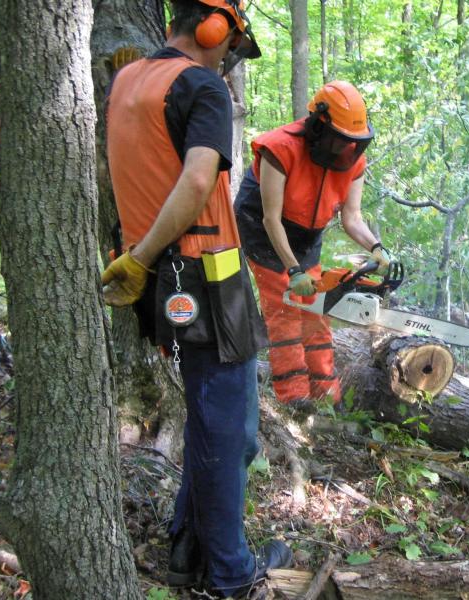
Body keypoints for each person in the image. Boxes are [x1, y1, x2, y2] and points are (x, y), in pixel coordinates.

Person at [100, 1, 291, 597]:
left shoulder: (128, 78)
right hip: (203, 272)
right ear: (214, 30)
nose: (230, 59)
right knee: (229, 427)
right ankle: (232, 575)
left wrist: (138, 258)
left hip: (156, 275)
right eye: (231, 45)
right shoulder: (200, 85)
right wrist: (143, 256)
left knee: (218, 422)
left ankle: (188, 548)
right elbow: (198, 179)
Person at [234, 81, 393, 412]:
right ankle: (295, 399)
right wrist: (292, 270)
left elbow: (352, 218)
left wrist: (377, 248)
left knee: (316, 310)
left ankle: (325, 394)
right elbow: (270, 219)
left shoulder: (352, 161)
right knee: (287, 310)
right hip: (264, 228)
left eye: (352, 142)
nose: (345, 148)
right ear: (319, 125)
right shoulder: (280, 149)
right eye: (340, 140)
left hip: (308, 234)